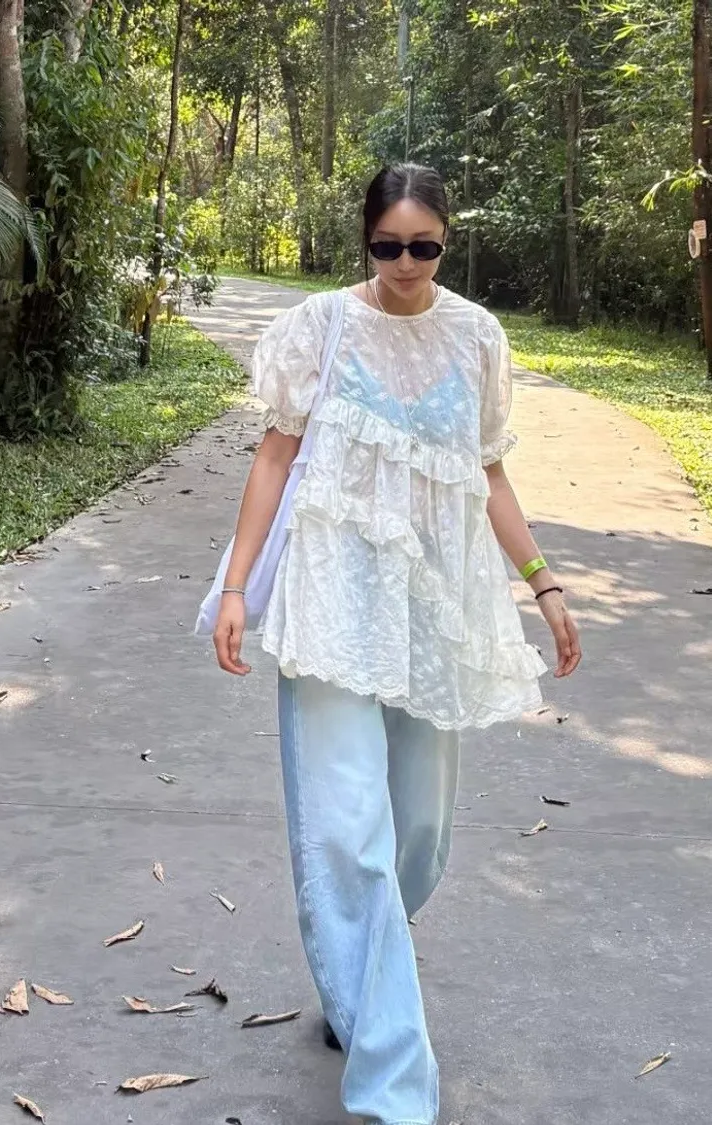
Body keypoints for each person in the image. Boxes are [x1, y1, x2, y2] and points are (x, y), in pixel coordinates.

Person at [212, 163, 581, 1125]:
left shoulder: (477, 336)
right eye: (388, 246)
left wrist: (543, 581)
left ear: (447, 241)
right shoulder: (319, 327)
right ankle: (394, 1086)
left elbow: (487, 472)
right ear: (365, 241)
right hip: (331, 602)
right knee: (348, 836)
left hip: (431, 612)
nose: (406, 264)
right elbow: (274, 458)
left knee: (419, 832)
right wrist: (237, 587)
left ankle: (359, 976)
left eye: (424, 247)